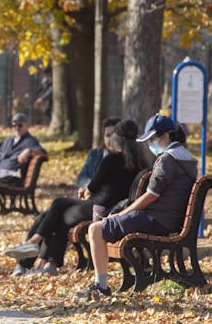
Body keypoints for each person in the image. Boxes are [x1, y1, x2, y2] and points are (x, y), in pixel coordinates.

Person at [3, 119, 149, 276]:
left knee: (58, 205)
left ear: (117, 139)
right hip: (115, 208)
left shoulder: (111, 160)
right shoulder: (141, 162)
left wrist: (86, 191)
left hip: (99, 208)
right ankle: (45, 264)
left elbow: (92, 187)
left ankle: (33, 246)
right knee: (55, 214)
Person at [77, 114, 197, 300]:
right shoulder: (186, 158)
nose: (150, 144)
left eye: (152, 139)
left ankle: (101, 286)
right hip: (167, 220)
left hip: (156, 220)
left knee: (95, 229)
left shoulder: (167, 160)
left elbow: (151, 195)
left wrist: (122, 214)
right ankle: (102, 284)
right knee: (99, 227)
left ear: (166, 136)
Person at [75, 118, 121, 192]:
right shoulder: (94, 154)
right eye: (108, 135)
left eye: (114, 134)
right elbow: (80, 179)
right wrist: (93, 186)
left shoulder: (127, 158)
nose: (111, 139)